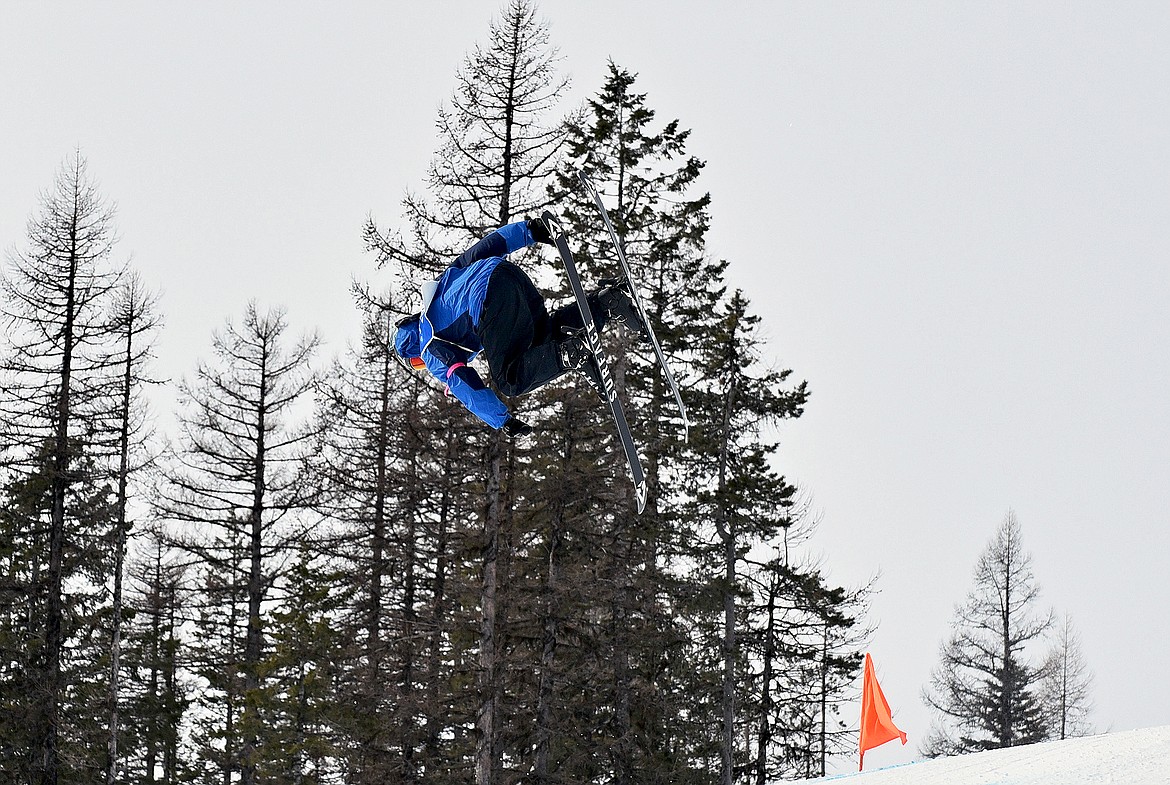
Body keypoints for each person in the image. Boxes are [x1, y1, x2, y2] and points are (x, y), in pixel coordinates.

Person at [393, 217, 647, 435]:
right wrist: (530, 230)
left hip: (487, 302)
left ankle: (572, 354)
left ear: (416, 351)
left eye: (419, 362)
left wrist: (501, 420)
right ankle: (607, 303)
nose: (424, 363)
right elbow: (485, 247)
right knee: (543, 340)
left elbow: (460, 380)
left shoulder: (428, 344)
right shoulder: (443, 285)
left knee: (510, 379)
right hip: (507, 275)